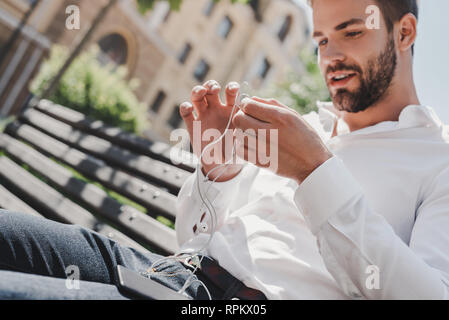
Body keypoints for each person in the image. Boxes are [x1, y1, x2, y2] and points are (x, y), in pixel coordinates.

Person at [0, 0, 448, 299]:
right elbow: (192, 238)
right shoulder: (309, 127)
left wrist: (316, 171)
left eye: (350, 33)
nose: (330, 57)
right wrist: (218, 168)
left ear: (404, 32)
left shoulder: (437, 159)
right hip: (168, 272)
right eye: (321, 40)